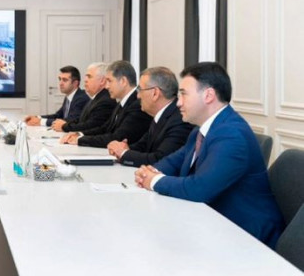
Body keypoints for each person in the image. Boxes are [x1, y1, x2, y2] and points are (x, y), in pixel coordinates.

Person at [134, 62, 284, 249]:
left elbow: (199, 189)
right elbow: (173, 162)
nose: (178, 102)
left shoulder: (232, 135)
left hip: (246, 236)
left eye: (184, 94)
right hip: (213, 223)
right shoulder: (202, 130)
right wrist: (149, 172)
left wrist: (154, 180)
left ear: (208, 95)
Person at [107, 66, 192, 167]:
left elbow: (160, 159)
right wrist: (122, 148)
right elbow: (143, 145)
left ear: (155, 93)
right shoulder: (162, 114)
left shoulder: (180, 120)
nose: (138, 96)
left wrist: (123, 153)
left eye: (140, 90)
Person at [60, 60, 152, 147]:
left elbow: (117, 138)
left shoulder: (137, 105)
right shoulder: (121, 103)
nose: (107, 86)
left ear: (123, 81)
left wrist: (80, 140)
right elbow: (104, 128)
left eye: (110, 81)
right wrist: (79, 134)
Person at [54, 62, 116, 134]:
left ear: (102, 81)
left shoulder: (105, 101)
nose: (85, 80)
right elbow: (81, 119)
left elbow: (90, 125)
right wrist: (65, 124)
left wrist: (64, 126)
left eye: (89, 77)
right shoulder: (96, 98)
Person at [24, 65, 90, 127]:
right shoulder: (69, 96)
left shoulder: (81, 98)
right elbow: (58, 115)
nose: (60, 83)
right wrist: (38, 117)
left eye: (65, 80)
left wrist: (40, 122)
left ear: (75, 83)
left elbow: (70, 121)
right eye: (60, 79)